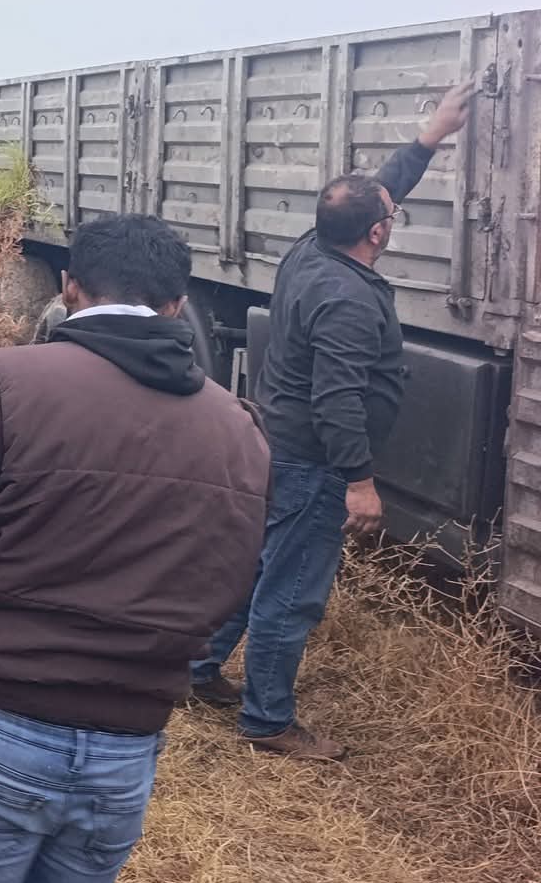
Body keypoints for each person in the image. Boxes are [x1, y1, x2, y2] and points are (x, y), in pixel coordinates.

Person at [0, 215, 270, 883]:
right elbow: (231, 583)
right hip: (126, 742)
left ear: (69, 288)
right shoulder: (238, 429)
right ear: (177, 304)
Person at [189, 80, 477, 758]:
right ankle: (267, 721)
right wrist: (359, 482)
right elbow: (337, 399)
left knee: (261, 567)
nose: (391, 213)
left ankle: (196, 669)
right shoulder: (346, 298)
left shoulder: (313, 248)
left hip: (281, 443)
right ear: (378, 233)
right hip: (313, 461)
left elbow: (378, 191)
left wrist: (430, 136)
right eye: (389, 214)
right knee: (291, 589)